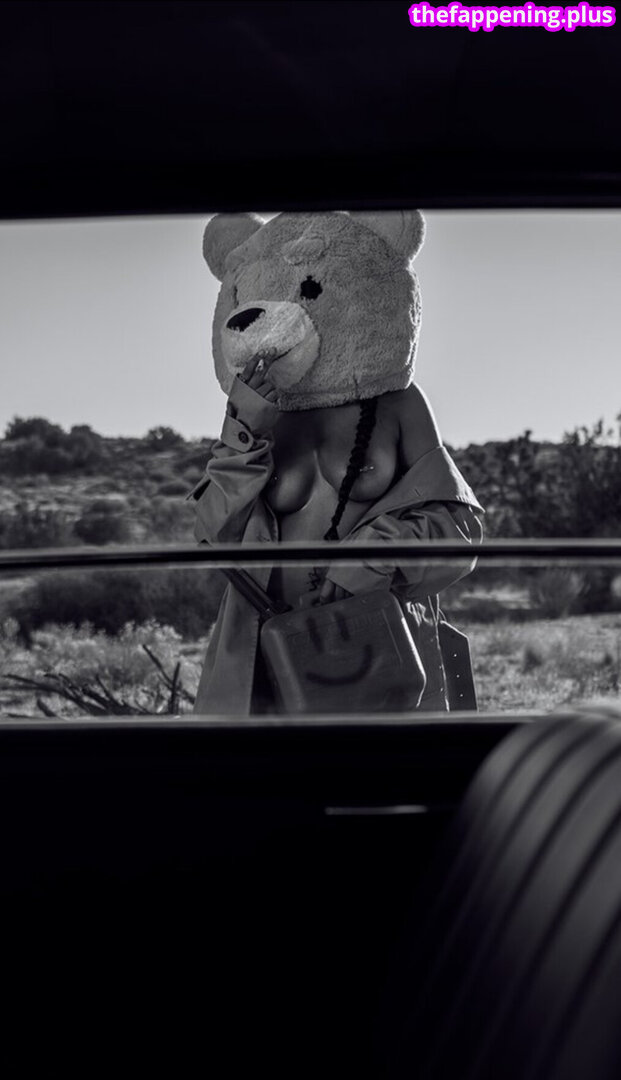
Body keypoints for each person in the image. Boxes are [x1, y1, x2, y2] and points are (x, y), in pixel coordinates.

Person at [188, 210, 484, 715]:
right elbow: (214, 538)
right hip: (263, 660)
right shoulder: (255, 413)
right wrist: (243, 430)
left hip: (385, 646)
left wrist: (370, 561)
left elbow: (460, 529)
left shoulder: (397, 403)